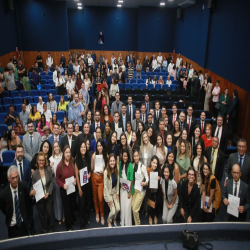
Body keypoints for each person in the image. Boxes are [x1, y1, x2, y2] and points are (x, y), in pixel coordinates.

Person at [0, 166, 31, 238]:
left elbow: (27, 204)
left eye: (16, 177)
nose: (15, 180)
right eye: (12, 178)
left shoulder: (23, 186)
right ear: (8, 179)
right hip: (12, 226)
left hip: (24, 224)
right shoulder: (3, 195)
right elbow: (4, 209)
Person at [30, 152, 54, 233]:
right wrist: (31, 192)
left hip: (48, 196)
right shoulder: (35, 174)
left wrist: (48, 192)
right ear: (37, 161)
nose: (41, 162)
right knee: (41, 215)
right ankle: (44, 229)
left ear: (45, 161)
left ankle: (50, 228)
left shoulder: (48, 169)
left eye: (43, 160)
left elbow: (51, 182)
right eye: (40, 160)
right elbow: (32, 186)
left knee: (49, 213)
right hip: (39, 198)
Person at [56, 146, 77, 231]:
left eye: (69, 152)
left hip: (72, 188)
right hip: (64, 190)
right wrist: (62, 185)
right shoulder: (59, 165)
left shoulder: (73, 161)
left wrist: (75, 179)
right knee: (67, 208)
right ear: (63, 154)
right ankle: (69, 226)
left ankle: (73, 220)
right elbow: (57, 179)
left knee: (73, 205)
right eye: (66, 153)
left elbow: (76, 174)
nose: (68, 154)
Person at [75, 140, 91, 229]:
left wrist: (89, 174)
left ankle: (87, 217)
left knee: (88, 202)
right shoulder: (77, 159)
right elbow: (76, 176)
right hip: (81, 185)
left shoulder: (88, 157)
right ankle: (82, 223)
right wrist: (79, 188)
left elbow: (90, 170)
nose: (83, 148)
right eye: (81, 147)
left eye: (84, 147)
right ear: (79, 148)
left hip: (88, 184)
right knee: (82, 203)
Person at [91, 139, 107, 225]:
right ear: (96, 147)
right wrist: (92, 160)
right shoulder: (94, 155)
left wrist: (103, 172)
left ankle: (102, 214)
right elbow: (91, 168)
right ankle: (97, 213)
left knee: (101, 198)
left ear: (103, 146)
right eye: (98, 146)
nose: (99, 147)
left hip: (101, 178)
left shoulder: (105, 156)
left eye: (100, 145)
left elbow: (107, 169)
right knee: (95, 197)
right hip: (94, 176)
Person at [131, 149, 149, 225]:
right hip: (134, 190)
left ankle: (138, 224)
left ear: (139, 156)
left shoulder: (142, 166)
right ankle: (136, 222)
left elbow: (147, 178)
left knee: (135, 209)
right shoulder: (131, 165)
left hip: (141, 191)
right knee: (132, 207)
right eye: (134, 156)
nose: (136, 158)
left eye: (137, 156)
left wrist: (145, 183)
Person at [104, 154, 120, 227]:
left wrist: (117, 193)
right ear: (108, 162)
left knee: (118, 208)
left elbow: (117, 183)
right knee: (113, 211)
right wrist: (109, 199)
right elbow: (105, 187)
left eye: (113, 161)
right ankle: (109, 219)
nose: (112, 162)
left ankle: (114, 218)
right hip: (108, 193)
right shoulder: (106, 172)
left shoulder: (117, 169)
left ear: (115, 161)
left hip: (114, 192)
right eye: (111, 161)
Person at [49, 141, 63, 225]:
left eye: (57, 146)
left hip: (64, 179)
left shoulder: (63, 156)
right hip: (56, 180)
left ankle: (64, 214)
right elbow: (52, 173)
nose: (56, 148)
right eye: (54, 147)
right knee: (57, 199)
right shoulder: (51, 158)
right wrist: (51, 167)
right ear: (53, 149)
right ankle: (58, 217)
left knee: (64, 198)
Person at [147, 156, 162, 225]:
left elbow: (162, 182)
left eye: (156, 163)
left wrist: (160, 179)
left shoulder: (159, 170)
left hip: (157, 190)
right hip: (149, 190)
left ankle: (156, 215)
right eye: (154, 163)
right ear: (151, 162)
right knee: (150, 198)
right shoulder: (148, 170)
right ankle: (150, 215)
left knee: (158, 200)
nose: (155, 165)